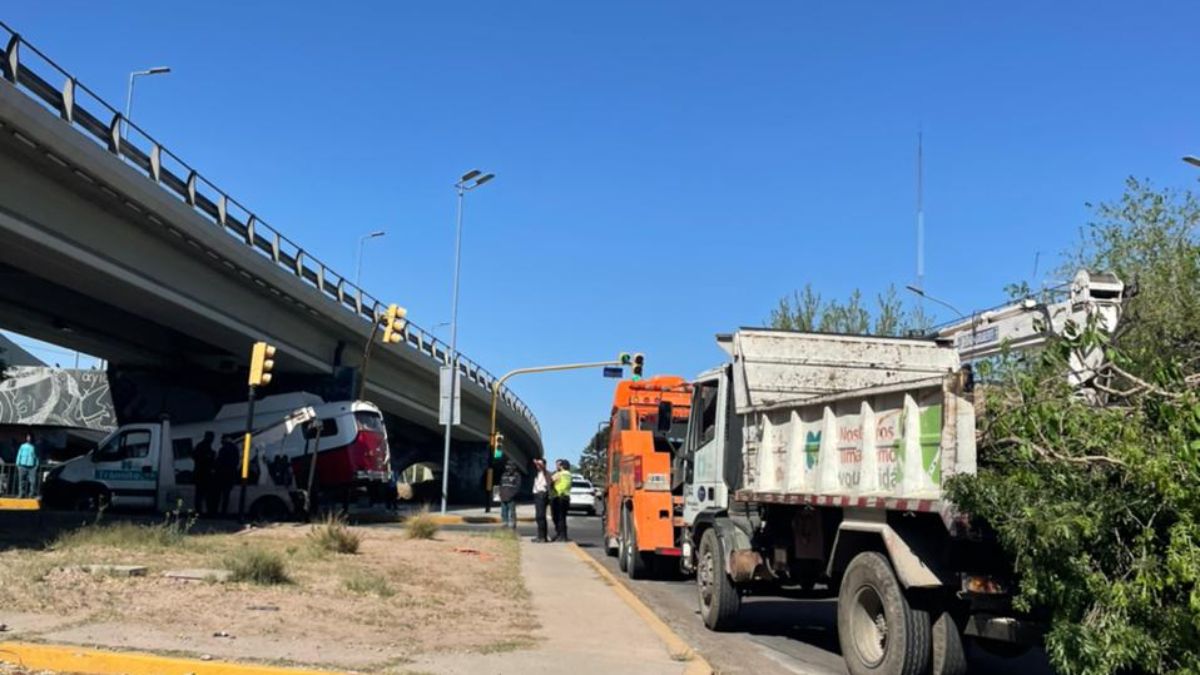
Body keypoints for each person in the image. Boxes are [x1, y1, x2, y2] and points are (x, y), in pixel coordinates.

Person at [215, 435, 240, 516]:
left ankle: (218, 511)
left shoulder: (224, 449)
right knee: (226, 494)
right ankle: (224, 511)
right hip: (231, 474)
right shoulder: (235, 448)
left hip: (222, 474)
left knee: (219, 494)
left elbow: (219, 461)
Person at [192, 431, 215, 516]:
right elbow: (204, 459)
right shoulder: (204, 446)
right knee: (204, 494)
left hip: (200, 473)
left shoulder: (200, 445)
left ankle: (199, 510)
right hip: (203, 474)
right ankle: (202, 511)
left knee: (199, 494)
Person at [530, 457, 552, 543]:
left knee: (541, 516)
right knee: (538, 517)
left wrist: (536, 462)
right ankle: (540, 536)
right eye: (537, 464)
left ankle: (543, 537)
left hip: (542, 495)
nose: (537, 466)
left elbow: (542, 467)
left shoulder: (546, 473)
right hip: (537, 495)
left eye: (539, 464)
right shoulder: (537, 473)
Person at [550, 459, 573, 542]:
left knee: (557, 517)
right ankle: (563, 535)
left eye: (560, 465)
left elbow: (550, 480)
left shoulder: (560, 474)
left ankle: (561, 535)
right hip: (566, 497)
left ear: (562, 466)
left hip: (558, 496)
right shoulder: (569, 474)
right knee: (562, 518)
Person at [498, 461, 521, 529]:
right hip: (503, 497)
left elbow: (518, 487)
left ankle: (512, 524)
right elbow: (501, 485)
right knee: (503, 512)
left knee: (512, 512)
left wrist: (512, 495)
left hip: (511, 498)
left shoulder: (516, 475)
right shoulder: (504, 475)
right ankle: (504, 524)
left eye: (510, 466)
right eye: (507, 466)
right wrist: (501, 494)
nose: (508, 467)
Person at [15, 433, 38, 499]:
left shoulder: (34, 446)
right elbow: (19, 454)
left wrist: (36, 465)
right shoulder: (22, 446)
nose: (29, 438)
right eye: (28, 437)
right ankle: (21, 494)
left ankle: (31, 494)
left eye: (30, 437)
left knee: (32, 481)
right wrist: (18, 464)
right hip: (22, 465)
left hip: (31, 466)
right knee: (21, 481)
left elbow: (36, 456)